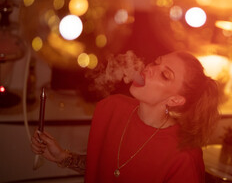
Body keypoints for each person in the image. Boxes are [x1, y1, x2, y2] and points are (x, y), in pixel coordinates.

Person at [31, 51, 220, 182]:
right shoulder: (111, 108)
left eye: (164, 75)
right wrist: (63, 157)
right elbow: (106, 169)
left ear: (175, 100)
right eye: (156, 62)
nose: (149, 68)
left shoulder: (184, 158)